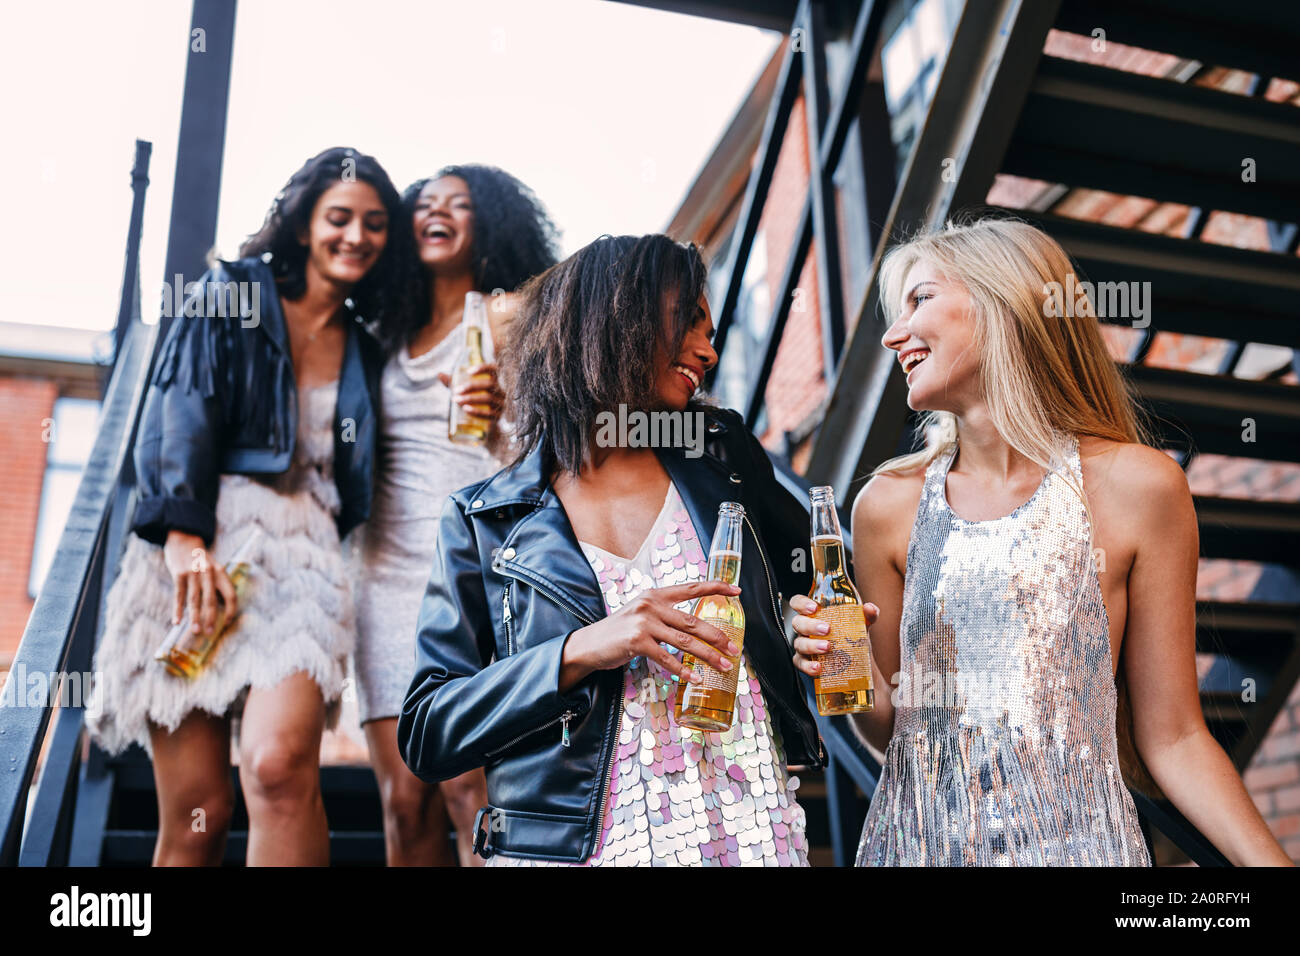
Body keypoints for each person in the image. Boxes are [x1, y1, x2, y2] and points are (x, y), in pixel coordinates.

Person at [789, 217, 1293, 866]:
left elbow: (1175, 738)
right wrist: (844, 663)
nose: (892, 336)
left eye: (919, 300)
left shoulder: (1142, 488)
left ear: (1005, 299)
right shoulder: (886, 507)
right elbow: (897, 734)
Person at [398, 234, 836, 866]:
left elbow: (813, 580)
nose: (708, 350)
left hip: (743, 837)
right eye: (689, 321)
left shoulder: (723, 455)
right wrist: (583, 649)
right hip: (575, 850)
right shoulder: (484, 519)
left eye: (711, 331)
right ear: (617, 317)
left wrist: (813, 626)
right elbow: (428, 728)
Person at [88, 146, 418, 866]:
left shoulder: (366, 347)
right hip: (197, 545)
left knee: (275, 768)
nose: (356, 235)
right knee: (199, 809)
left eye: (375, 223)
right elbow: (180, 409)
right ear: (304, 224)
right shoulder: (229, 291)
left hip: (303, 557)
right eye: (339, 217)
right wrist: (182, 538)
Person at [352, 164, 558, 866]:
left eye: (459, 204)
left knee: (471, 787)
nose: (437, 213)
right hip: (380, 575)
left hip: (472, 568)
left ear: (490, 224)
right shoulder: (380, 329)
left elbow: (541, 452)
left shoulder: (509, 317)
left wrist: (499, 417)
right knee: (403, 801)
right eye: (424, 203)